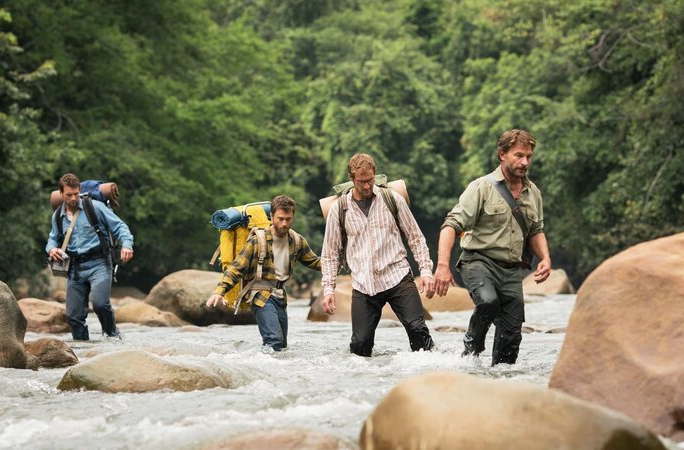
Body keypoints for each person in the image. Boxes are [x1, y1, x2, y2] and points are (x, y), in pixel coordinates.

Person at [433, 129, 551, 365]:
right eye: (518, 155)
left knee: (512, 336)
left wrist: (545, 258)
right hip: (478, 262)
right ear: (502, 154)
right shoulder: (481, 187)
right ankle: (470, 355)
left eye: (528, 157)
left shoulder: (533, 193)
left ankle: (500, 376)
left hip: (512, 270)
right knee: (488, 301)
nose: (524, 162)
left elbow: (536, 231)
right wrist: (443, 266)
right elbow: (450, 225)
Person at [321, 153, 436, 357]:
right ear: (351, 179)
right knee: (360, 345)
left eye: (370, 180)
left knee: (417, 329)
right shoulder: (339, 209)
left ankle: (431, 370)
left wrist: (426, 271)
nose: (367, 186)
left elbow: (415, 237)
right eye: (361, 181)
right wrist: (328, 289)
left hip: (397, 276)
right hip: (364, 284)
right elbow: (329, 254)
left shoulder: (392, 199)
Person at [206, 195, 321, 352]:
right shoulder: (257, 241)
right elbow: (236, 268)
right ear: (272, 216)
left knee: (282, 346)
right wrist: (219, 291)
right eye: (280, 219)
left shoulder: (296, 240)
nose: (284, 223)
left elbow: (314, 261)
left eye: (288, 219)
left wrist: (340, 263)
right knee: (273, 340)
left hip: (280, 296)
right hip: (260, 295)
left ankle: (265, 366)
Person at [46, 173, 134, 340]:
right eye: (68, 195)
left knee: (100, 304)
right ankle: (83, 349)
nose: (73, 198)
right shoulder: (57, 216)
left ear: (79, 190)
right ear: (61, 194)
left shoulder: (95, 207)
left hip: (99, 263)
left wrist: (127, 245)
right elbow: (52, 238)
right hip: (75, 269)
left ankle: (112, 336)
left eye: (76, 193)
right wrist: (51, 249)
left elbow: (120, 227)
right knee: (74, 317)